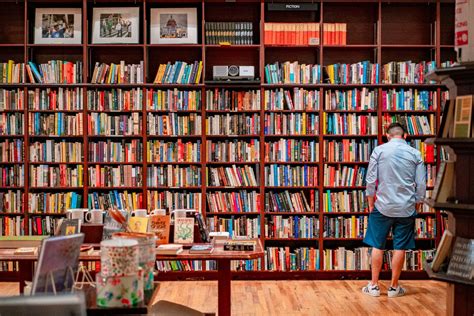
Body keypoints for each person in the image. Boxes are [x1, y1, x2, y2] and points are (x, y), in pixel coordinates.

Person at [362, 122, 426, 298]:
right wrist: (418, 203)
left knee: (377, 245)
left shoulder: (379, 151)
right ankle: (393, 288)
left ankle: (374, 286)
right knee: (400, 247)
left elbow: (370, 180)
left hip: (382, 205)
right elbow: (421, 184)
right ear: (405, 136)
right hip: (406, 207)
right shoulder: (415, 153)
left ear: (387, 136)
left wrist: (370, 202)